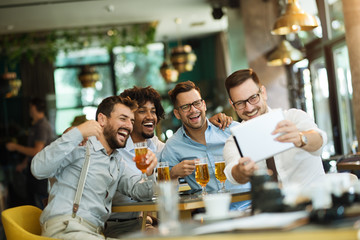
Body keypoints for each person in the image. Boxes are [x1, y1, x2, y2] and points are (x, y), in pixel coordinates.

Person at [104, 86, 234, 237]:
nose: (150, 116)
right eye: (142, 111)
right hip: (121, 223)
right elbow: (138, 191)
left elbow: (179, 150)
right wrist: (170, 174)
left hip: (146, 219)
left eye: (153, 111)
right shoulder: (117, 149)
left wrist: (205, 125)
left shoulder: (156, 145)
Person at [31, 96, 157, 240]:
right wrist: (77, 133)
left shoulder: (116, 161)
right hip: (66, 229)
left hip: (94, 233)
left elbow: (138, 191)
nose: (129, 126)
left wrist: (149, 173)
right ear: (102, 119)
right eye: (123, 119)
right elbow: (38, 169)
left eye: (132, 121)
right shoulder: (81, 146)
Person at [223, 68, 326, 190]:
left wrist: (300, 138)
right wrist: (241, 171)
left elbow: (320, 141)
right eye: (240, 103)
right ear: (232, 105)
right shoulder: (234, 141)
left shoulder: (294, 117)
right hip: (271, 207)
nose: (249, 108)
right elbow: (232, 172)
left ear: (263, 93)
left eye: (253, 98)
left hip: (314, 200)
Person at [160, 81, 250, 203]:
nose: (193, 110)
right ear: (177, 113)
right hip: (208, 213)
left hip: (247, 205)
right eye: (185, 107)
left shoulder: (230, 129)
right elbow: (164, 193)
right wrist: (173, 173)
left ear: (204, 105)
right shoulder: (173, 146)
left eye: (197, 103)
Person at [6, 97, 55, 209]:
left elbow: (36, 150)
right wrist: (24, 164)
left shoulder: (42, 126)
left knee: (39, 205)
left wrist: (15, 147)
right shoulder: (36, 125)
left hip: (41, 173)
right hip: (33, 171)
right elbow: (31, 149)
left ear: (34, 108)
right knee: (33, 201)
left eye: (30, 107)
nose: (29, 110)